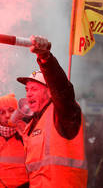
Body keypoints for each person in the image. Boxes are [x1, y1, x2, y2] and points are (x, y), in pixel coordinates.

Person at [16, 35, 87, 187]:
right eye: (27, 89)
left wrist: (45, 58)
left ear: (50, 92)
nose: (28, 93)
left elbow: (62, 89)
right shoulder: (30, 127)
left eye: (34, 89)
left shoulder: (63, 113)